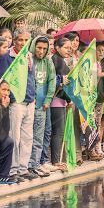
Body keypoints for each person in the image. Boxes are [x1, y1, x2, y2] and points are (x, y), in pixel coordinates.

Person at [0, 28, 37, 182]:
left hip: (29, 101)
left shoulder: (29, 56)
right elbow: (4, 81)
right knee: (15, 136)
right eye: (20, 40)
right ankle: (13, 170)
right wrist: (12, 98)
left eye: (26, 40)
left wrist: (32, 97)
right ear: (14, 40)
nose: (23, 43)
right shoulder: (7, 57)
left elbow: (31, 78)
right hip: (16, 103)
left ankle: (23, 168)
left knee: (27, 137)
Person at [28, 36, 56, 177]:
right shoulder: (29, 59)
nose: (41, 51)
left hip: (42, 105)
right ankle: (26, 165)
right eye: (39, 47)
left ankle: (35, 164)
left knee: (39, 136)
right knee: (27, 136)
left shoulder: (48, 61)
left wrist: (48, 99)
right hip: (28, 104)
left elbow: (52, 80)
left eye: (44, 49)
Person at [47, 37, 72, 165]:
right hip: (56, 100)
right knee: (58, 131)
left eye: (70, 47)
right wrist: (69, 99)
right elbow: (58, 83)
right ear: (57, 48)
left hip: (61, 100)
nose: (69, 50)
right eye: (66, 48)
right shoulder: (56, 60)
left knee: (59, 131)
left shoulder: (60, 60)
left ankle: (57, 159)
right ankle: (55, 161)